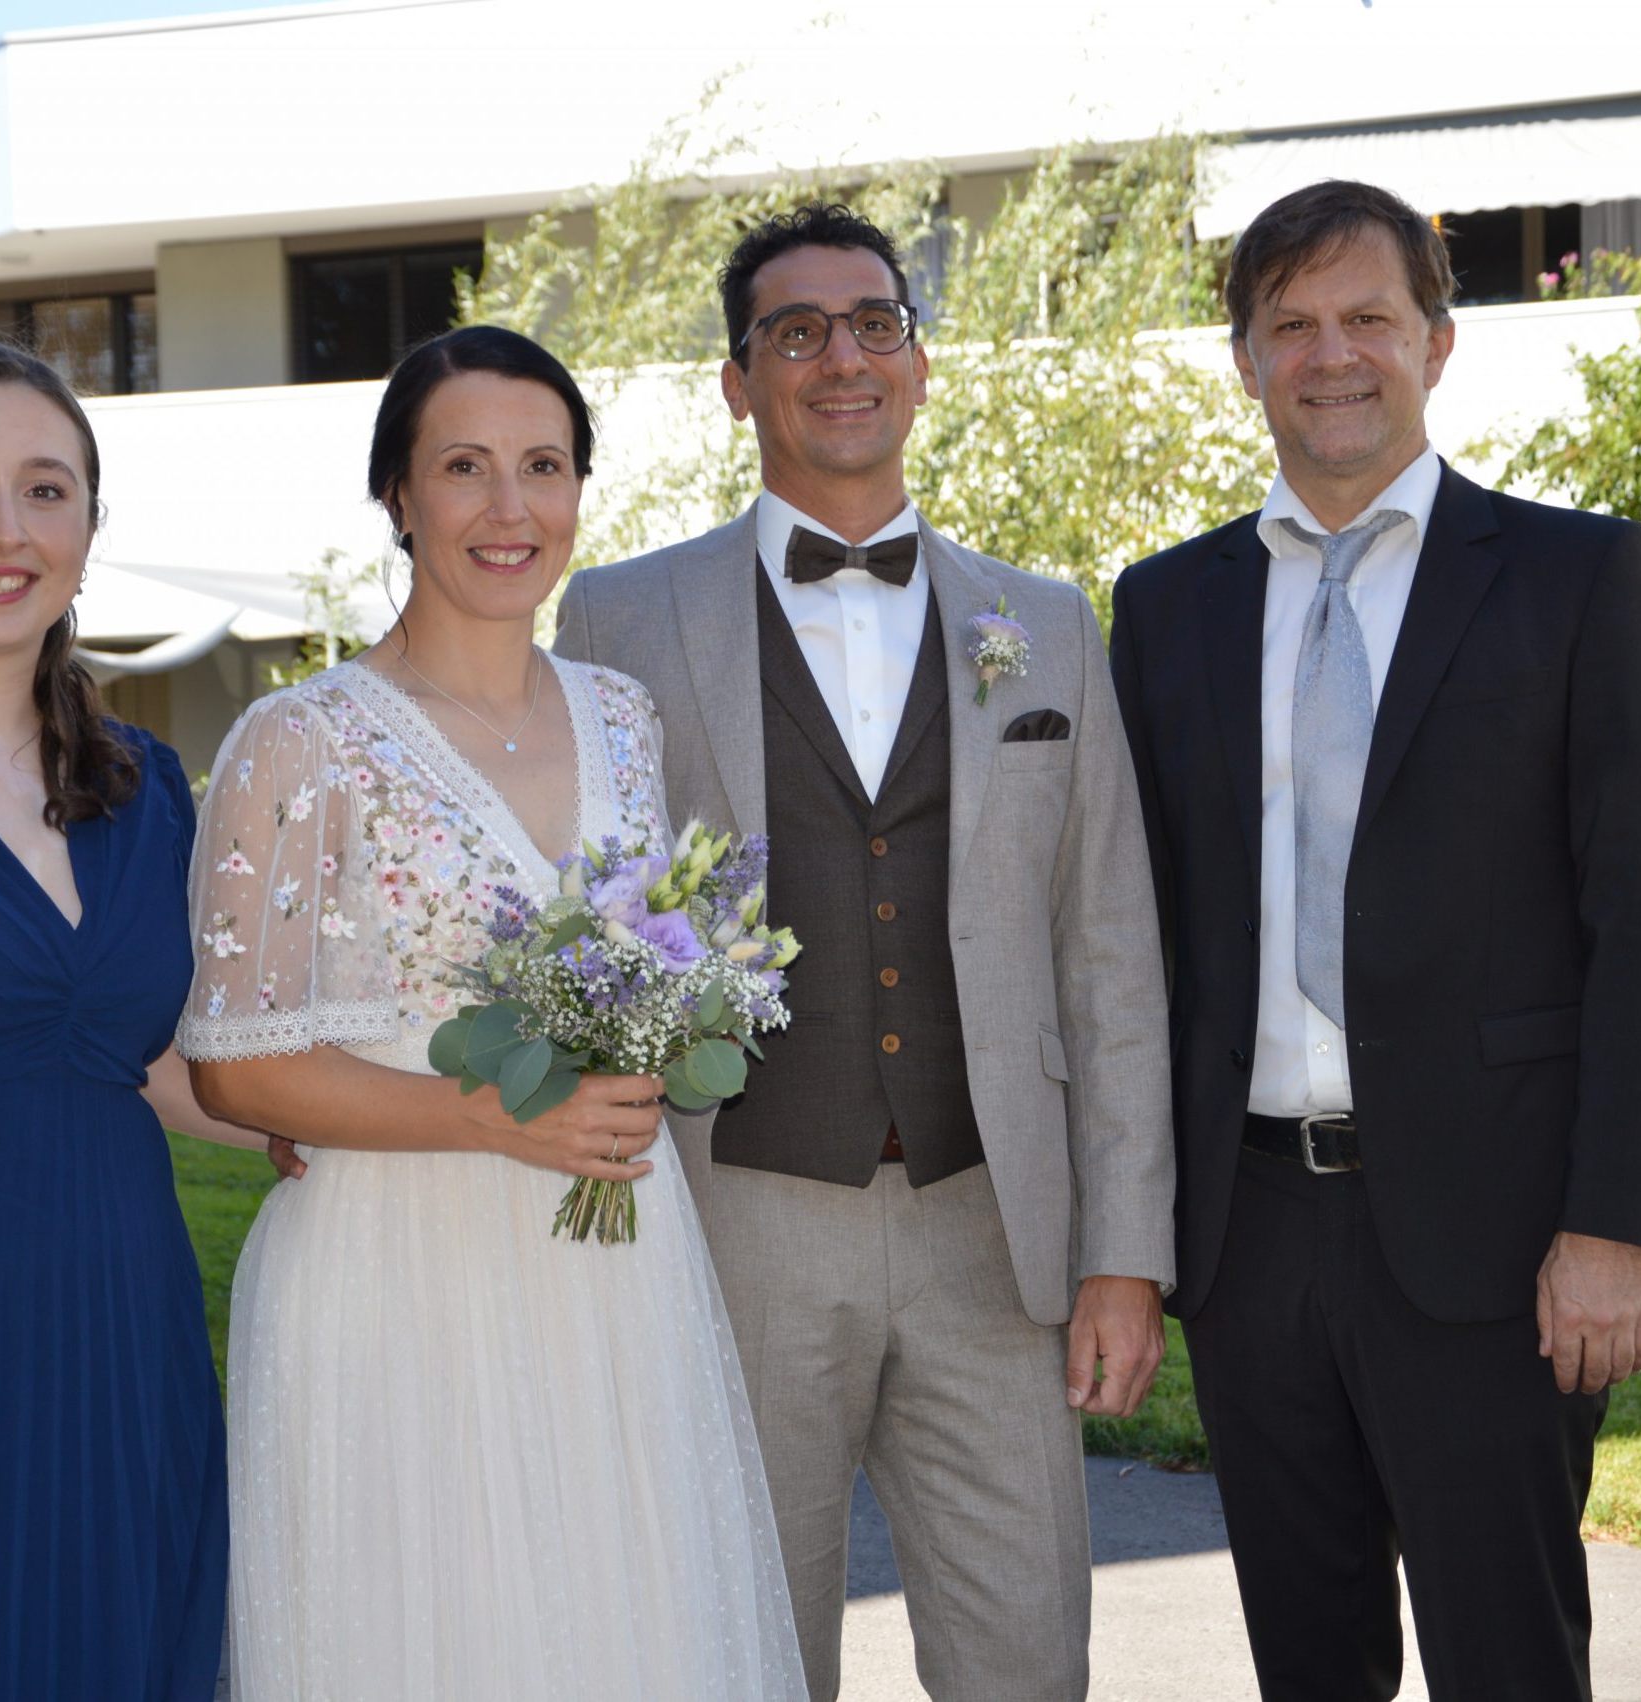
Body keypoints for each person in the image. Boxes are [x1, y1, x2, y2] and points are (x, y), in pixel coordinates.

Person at [554, 203, 1175, 1701]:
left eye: (874, 323)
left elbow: (1109, 955)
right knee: (750, 1652)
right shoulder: (622, 614)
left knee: (1027, 1653)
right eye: (796, 331)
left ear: (918, 359)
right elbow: (572, 889)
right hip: (742, 1218)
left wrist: (1123, 1256)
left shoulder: (1041, 622)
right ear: (737, 380)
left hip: (991, 1222)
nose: (843, 357)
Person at [1109, 179, 1641, 1701]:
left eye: (1366, 317)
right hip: (1249, 1236)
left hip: (1497, 1236)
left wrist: (1614, 1221)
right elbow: (1142, 929)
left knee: (1508, 1661)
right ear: (1242, 361)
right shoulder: (1165, 609)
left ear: (1437, 341)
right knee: (1309, 1667)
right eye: (1287, 324)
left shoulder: (1574, 576)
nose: (1329, 353)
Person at [181, 326, 804, 1700]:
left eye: (543, 466)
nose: (509, 508)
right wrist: (486, 1113)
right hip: (392, 1279)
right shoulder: (298, 738)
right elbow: (235, 1065)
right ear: (398, 496)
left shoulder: (622, 716)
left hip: (609, 1273)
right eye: (463, 467)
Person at [0, 339, 257, 1700]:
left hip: (124, 1313)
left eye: (44, 489)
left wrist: (391, 1132)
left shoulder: (145, 784)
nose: (4, 529)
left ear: (88, 530)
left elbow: (161, 1058)